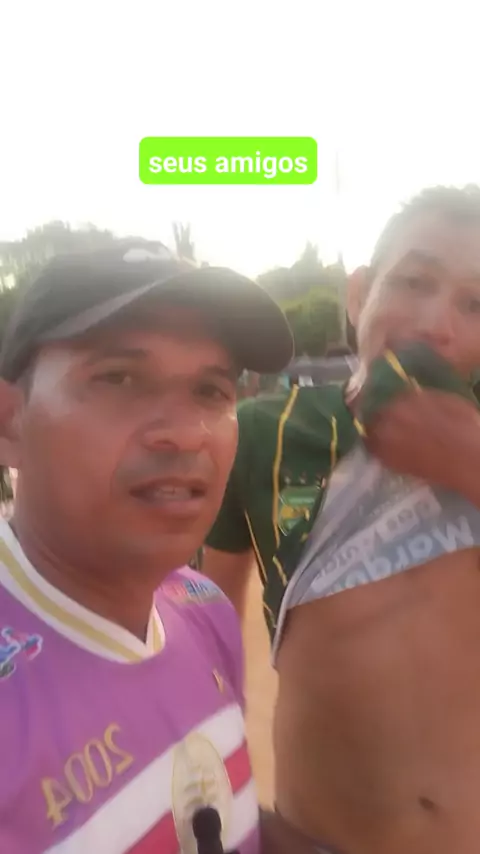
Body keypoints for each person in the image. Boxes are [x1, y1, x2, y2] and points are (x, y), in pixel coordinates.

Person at [202, 184, 480, 854]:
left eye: (475, 304)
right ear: (359, 294)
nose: (438, 324)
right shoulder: (262, 434)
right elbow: (198, 627)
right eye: (414, 281)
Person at [0, 240, 293, 854]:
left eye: (211, 390)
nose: (185, 433)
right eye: (119, 378)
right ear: (9, 421)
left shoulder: (203, 606)